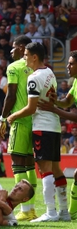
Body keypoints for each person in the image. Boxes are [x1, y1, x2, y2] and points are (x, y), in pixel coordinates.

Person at [7, 42, 68, 222]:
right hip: (54, 125)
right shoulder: (50, 72)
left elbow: (31, 108)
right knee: (56, 168)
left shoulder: (34, 78)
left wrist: (12, 117)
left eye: (26, 54)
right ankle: (63, 211)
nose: (24, 57)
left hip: (42, 126)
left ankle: (50, 212)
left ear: (34, 57)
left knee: (44, 170)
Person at [0, 36, 38, 221]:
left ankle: (26, 208)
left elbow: (11, 95)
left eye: (14, 47)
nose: (11, 51)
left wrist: (3, 118)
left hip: (20, 120)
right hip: (37, 120)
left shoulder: (14, 67)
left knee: (17, 163)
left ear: (22, 48)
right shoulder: (39, 67)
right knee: (30, 163)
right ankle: (31, 208)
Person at [37, 50, 77, 219]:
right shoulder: (76, 82)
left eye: (71, 63)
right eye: (68, 63)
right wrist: (56, 101)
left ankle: (71, 212)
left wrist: (54, 109)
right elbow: (68, 101)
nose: (68, 66)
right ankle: (71, 212)